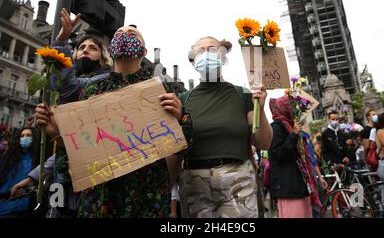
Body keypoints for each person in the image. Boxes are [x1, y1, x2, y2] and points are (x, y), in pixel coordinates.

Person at [34, 25, 182, 218]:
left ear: (143, 51)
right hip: (98, 200)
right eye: (118, 34)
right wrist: (56, 133)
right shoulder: (90, 91)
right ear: (111, 49)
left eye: (132, 34)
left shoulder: (162, 90)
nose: (124, 36)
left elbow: (177, 149)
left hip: (146, 200)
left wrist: (178, 118)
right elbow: (82, 149)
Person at [175, 36, 272, 218]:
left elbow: (264, 142)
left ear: (223, 56)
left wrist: (261, 107)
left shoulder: (242, 94)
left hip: (237, 182)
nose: (206, 54)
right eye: (200, 51)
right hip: (195, 184)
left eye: (212, 48)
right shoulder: (183, 100)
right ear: (193, 59)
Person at [268, 96, 321, 218]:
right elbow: (278, 154)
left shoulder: (291, 126)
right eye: (290, 107)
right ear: (284, 108)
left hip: (299, 185)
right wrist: (293, 135)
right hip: (288, 187)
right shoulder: (276, 127)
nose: (293, 110)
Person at [51, 8, 112, 104]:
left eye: (93, 48)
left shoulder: (107, 79)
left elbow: (68, 87)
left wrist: (61, 42)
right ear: (74, 57)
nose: (85, 50)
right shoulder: (61, 76)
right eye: (81, 47)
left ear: (103, 60)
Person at [0, 127, 39, 217]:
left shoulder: (37, 161)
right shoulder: (7, 159)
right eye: (22, 136)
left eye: (28, 135)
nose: (25, 138)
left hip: (25, 209)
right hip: (4, 207)